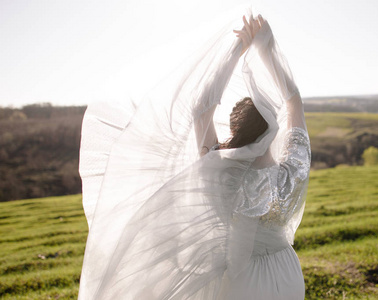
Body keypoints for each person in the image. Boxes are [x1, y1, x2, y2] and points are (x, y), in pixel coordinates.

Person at [78, 14, 310, 300]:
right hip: (287, 273)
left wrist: (237, 49)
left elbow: (201, 107)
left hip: (243, 281)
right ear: (273, 130)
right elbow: (294, 101)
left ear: (236, 130)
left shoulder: (220, 170)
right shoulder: (294, 169)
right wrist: (266, 48)